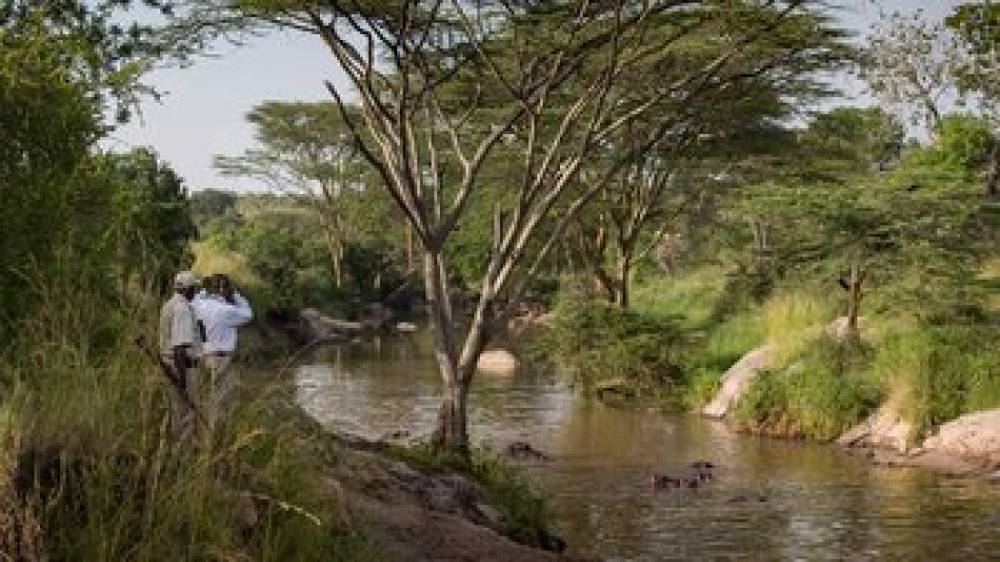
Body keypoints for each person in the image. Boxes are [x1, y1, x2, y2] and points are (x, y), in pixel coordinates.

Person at [192, 273, 253, 428]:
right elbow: (248, 314)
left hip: (201, 356)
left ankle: (202, 430)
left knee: (203, 396)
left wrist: (205, 291)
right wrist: (236, 295)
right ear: (223, 290)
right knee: (223, 400)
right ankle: (216, 432)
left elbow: (197, 298)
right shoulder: (227, 310)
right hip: (220, 358)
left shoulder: (197, 304)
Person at [159, 270, 203, 441]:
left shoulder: (169, 304)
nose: (196, 292)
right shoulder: (182, 309)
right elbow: (179, 349)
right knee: (186, 414)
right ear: (187, 289)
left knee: (176, 413)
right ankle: (183, 456)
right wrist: (182, 383)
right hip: (182, 367)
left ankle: (176, 453)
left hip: (172, 366)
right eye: (194, 288)